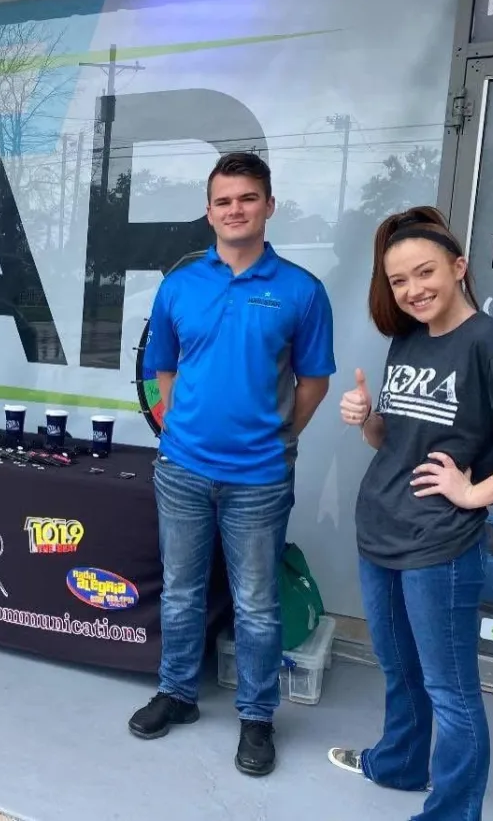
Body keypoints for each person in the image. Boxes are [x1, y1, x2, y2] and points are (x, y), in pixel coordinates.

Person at [330, 206, 493, 819]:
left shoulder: (491, 343)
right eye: (399, 281)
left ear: (459, 267)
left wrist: (475, 494)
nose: (414, 290)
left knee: (451, 690)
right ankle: (399, 765)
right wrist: (368, 421)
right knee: (399, 668)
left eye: (425, 272)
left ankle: (451, 811)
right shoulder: (408, 337)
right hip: (380, 530)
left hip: (440, 545)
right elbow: (397, 440)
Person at [131, 151, 336, 777]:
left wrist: (277, 440)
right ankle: (179, 694)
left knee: (256, 604)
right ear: (209, 211)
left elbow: (314, 382)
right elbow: (162, 369)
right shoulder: (181, 286)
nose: (235, 210)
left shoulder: (300, 290)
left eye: (247, 198)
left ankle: (257, 718)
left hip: (259, 477)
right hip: (183, 470)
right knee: (183, 591)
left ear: (269, 206)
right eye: (224, 201)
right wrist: (179, 433)